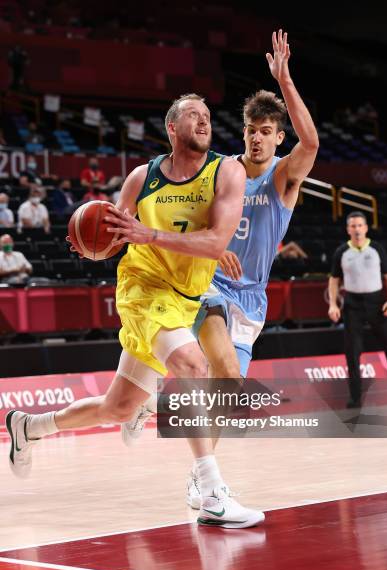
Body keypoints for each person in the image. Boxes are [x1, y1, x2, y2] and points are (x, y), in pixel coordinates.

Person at [6, 93, 265, 529]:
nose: (203, 122)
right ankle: (212, 495)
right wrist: (96, 247)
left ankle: (29, 427)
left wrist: (151, 235)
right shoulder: (141, 179)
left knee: (120, 408)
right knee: (192, 364)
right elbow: (113, 236)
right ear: (171, 128)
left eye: (206, 116)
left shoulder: (228, 172)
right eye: (192, 116)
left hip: (185, 300)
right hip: (142, 289)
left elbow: (218, 242)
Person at [122, 30, 319, 510]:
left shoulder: (283, 179)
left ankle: (181, 444)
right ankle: (210, 488)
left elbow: (311, 140)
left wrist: (285, 81)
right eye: (251, 129)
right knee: (216, 368)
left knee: (227, 393)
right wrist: (212, 247)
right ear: (245, 133)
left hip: (251, 299)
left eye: (266, 131)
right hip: (208, 286)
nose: (256, 137)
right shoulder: (223, 172)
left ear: (277, 138)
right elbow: (193, 220)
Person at [328, 212, 387, 408]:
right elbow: (334, 280)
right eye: (353, 226)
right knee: (352, 352)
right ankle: (355, 397)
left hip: (377, 303)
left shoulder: (376, 249)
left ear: (366, 228)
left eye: (360, 225)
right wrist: (333, 303)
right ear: (348, 229)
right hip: (352, 305)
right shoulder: (341, 252)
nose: (356, 229)